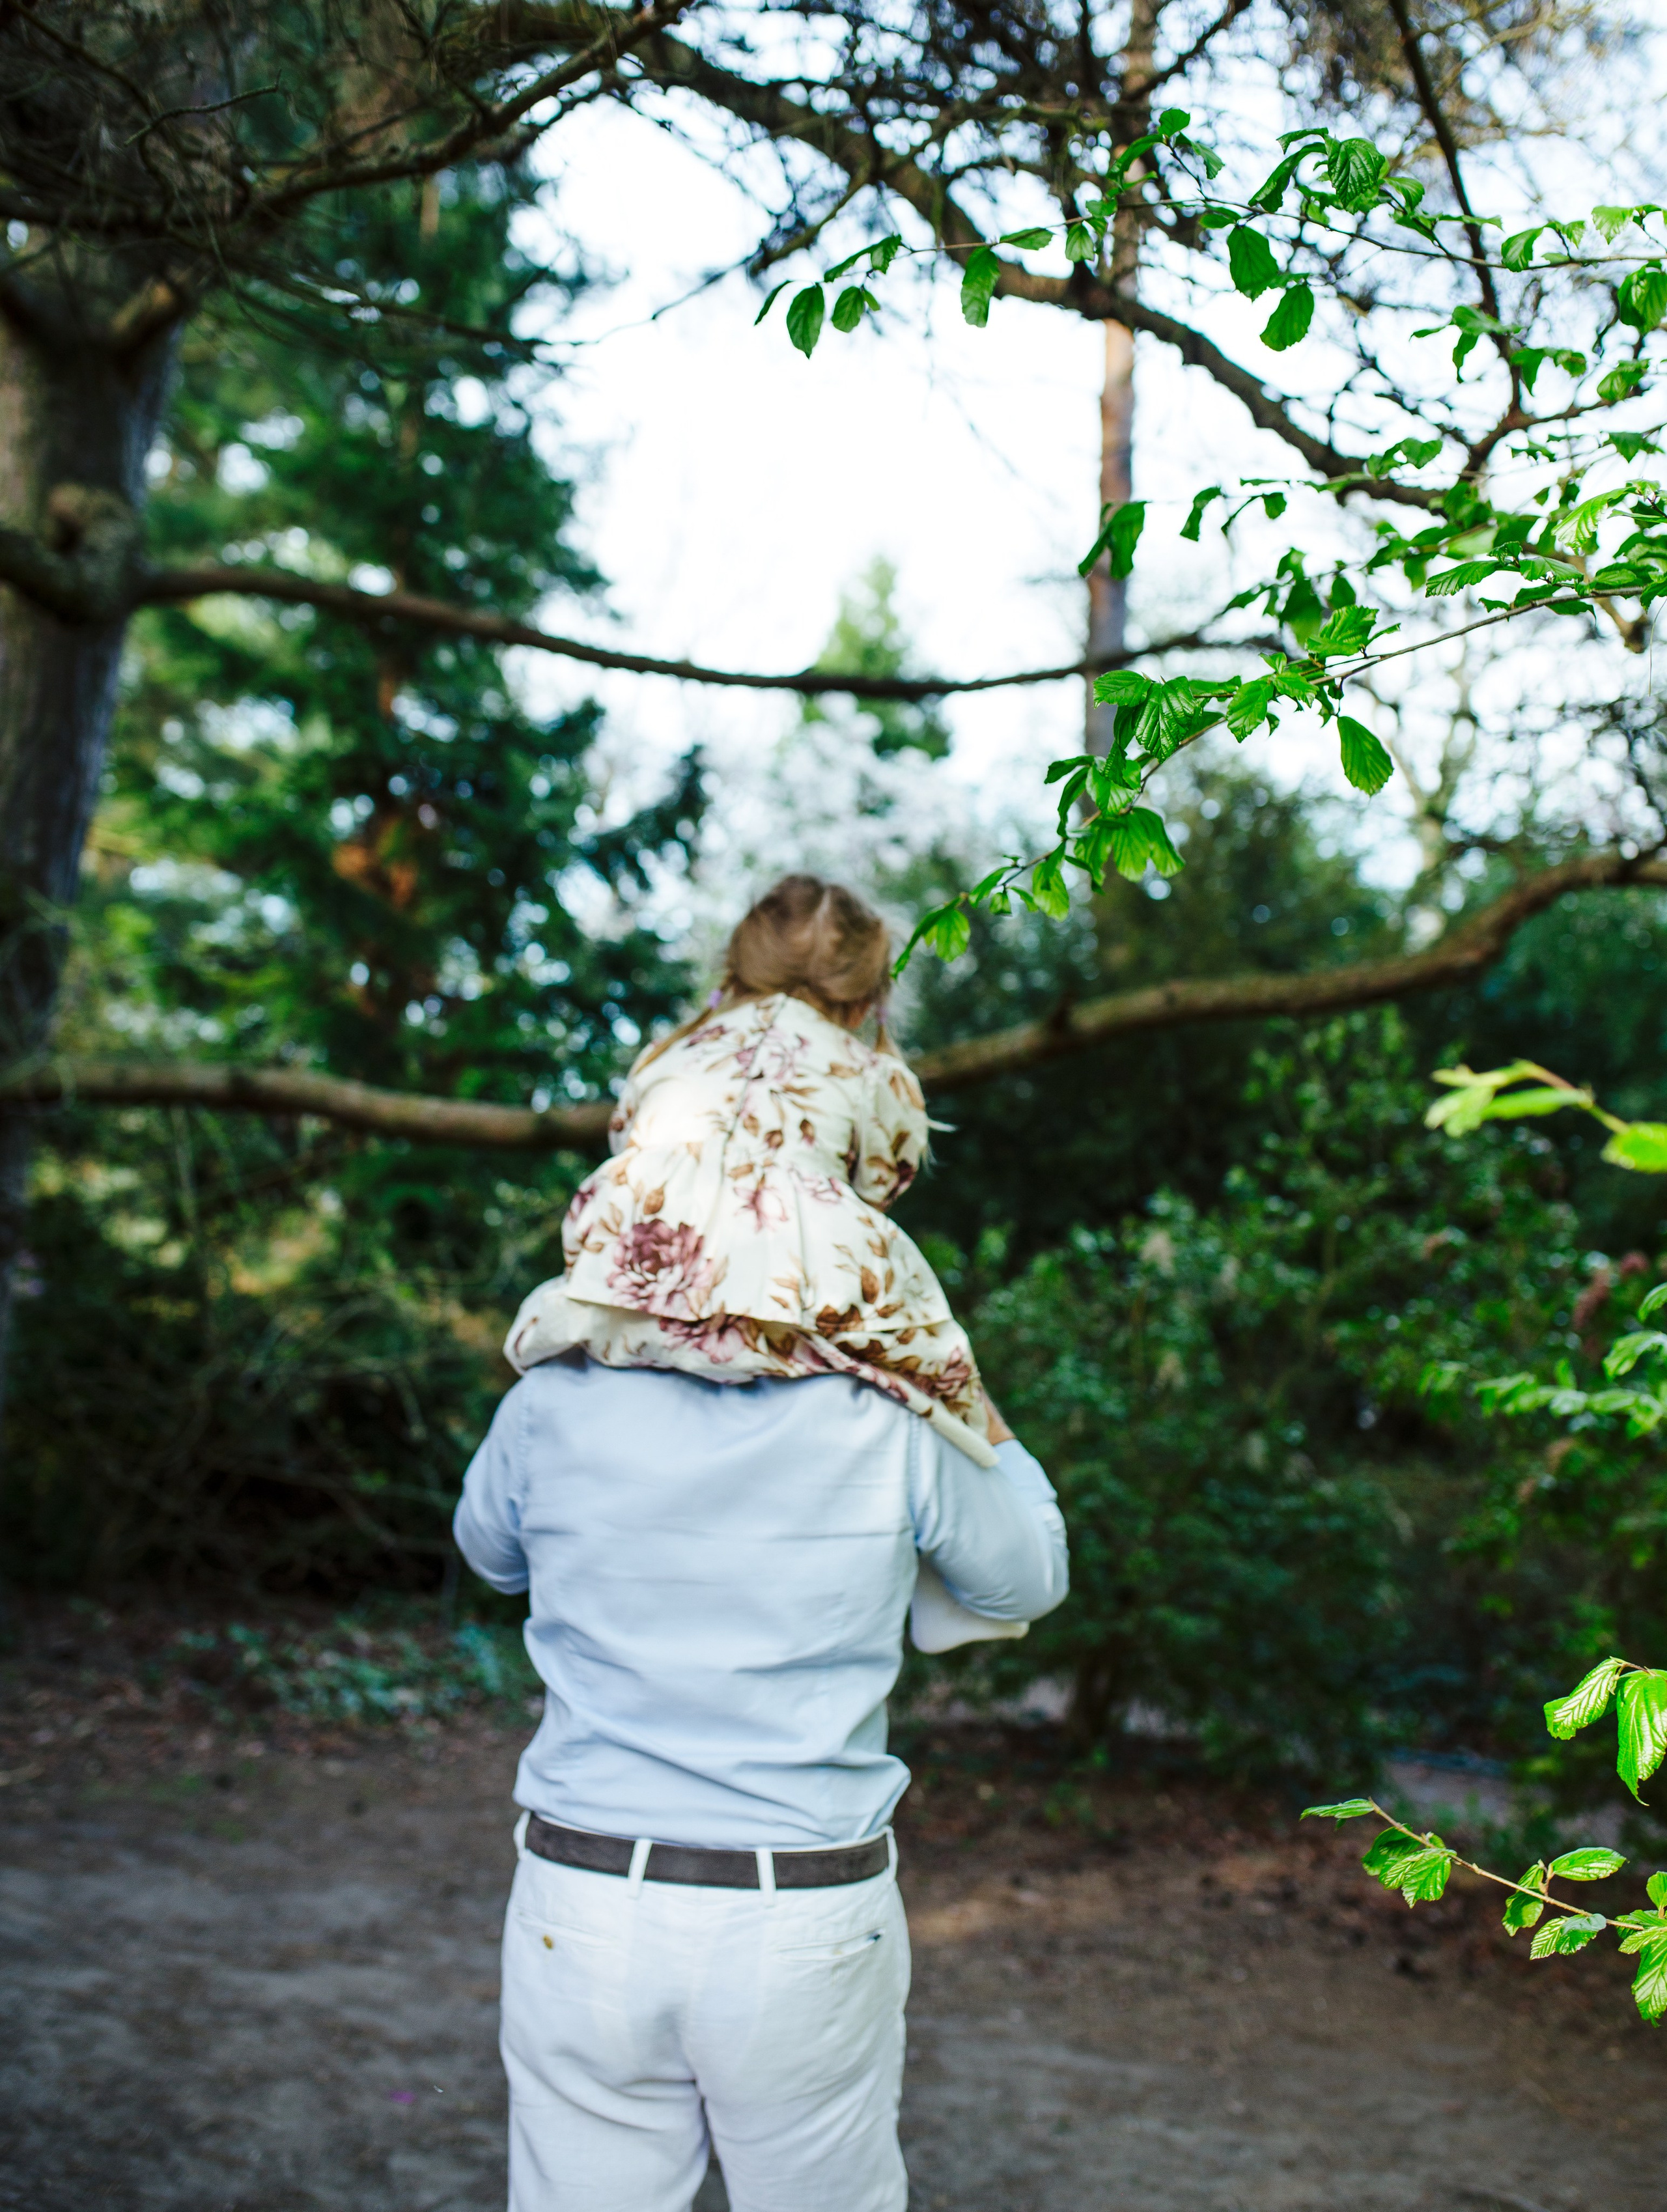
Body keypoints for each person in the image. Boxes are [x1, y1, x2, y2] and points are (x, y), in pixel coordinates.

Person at [452, 881, 1068, 2212]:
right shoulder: (887, 1412)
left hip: (581, 1901)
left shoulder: (552, 1398)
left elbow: (488, 1552)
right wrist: (963, 1398)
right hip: (797, 1915)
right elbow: (1027, 1576)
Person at [502, 874, 995, 1466]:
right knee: (951, 1390)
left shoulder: (668, 1055)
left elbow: (625, 1140)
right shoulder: (870, 1073)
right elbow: (881, 1184)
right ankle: (1017, 1489)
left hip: (629, 1286)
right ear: (867, 998)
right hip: (790, 1310)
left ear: (737, 968)